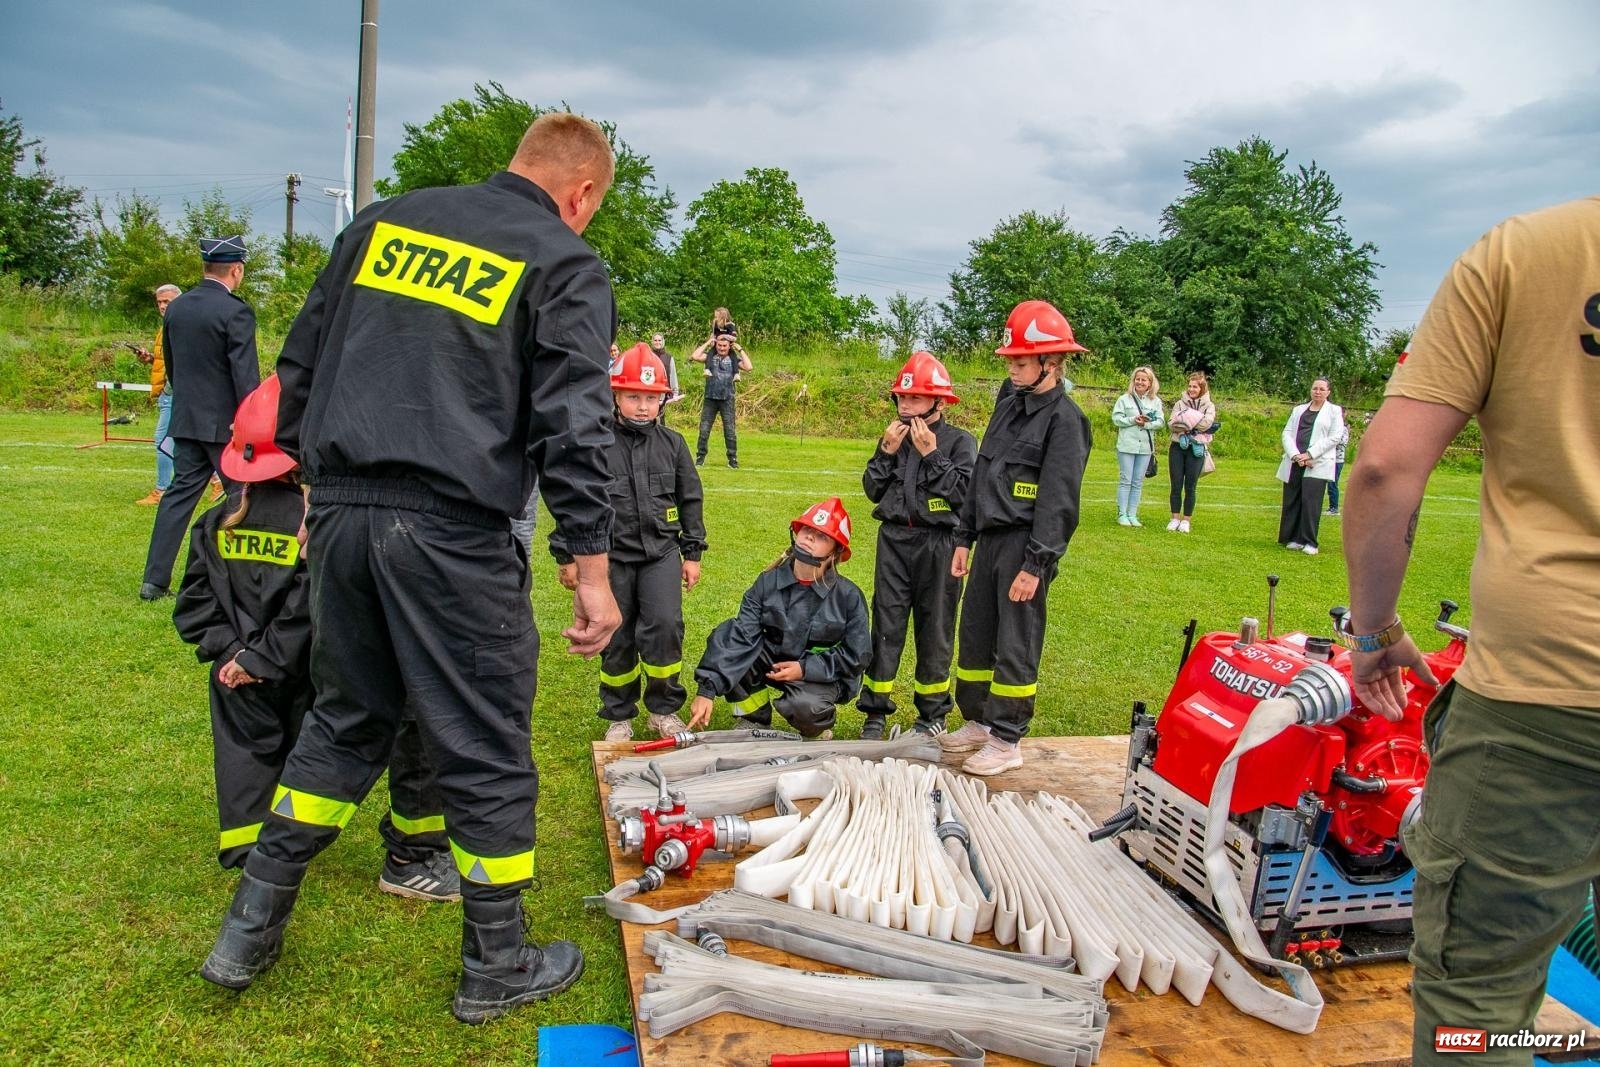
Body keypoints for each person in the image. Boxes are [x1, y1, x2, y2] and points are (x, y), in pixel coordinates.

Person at [199, 112, 624, 1025]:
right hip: (450, 529)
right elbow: (577, 423)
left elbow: (299, 366)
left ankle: (246, 931)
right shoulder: (562, 259)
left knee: (345, 720)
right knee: (484, 736)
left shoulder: (383, 224)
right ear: (580, 192)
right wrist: (590, 567)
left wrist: (320, 487)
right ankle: (498, 959)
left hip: (344, 513)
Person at [1341, 195, 1600, 1066]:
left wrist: (1372, 631)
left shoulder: (1526, 253)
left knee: (1477, 1012)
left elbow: (1383, 466)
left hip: (1548, 696)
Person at [173, 375, 459, 901]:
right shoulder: (317, 527)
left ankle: (249, 853)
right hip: (307, 668)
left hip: (233, 674)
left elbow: (193, 604)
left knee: (245, 756)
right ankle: (403, 855)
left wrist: (233, 654)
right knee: (330, 749)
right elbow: (310, 609)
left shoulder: (216, 522)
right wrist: (265, 656)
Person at [941, 300, 1092, 775]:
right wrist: (964, 536)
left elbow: (1059, 501)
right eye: (1009, 359)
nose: (1012, 367)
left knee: (1016, 641)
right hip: (987, 539)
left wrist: (1036, 564)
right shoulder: (1009, 402)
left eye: (1021, 360)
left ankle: (1007, 739)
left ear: (1052, 362)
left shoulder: (1066, 420)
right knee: (977, 634)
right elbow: (983, 471)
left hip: (1025, 545)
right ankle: (981, 722)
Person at [553, 342, 706, 743]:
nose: (642, 406)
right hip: (609, 558)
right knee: (616, 635)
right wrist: (566, 553)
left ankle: (663, 709)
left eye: (651, 399)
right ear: (615, 395)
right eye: (633, 396)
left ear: (663, 401)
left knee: (665, 627)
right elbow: (575, 497)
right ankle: (618, 714)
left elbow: (690, 498)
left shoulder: (674, 445)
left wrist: (692, 553)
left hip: (661, 555)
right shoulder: (596, 444)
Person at [857, 351, 976, 739]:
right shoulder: (893, 437)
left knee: (936, 627)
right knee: (886, 624)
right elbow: (873, 490)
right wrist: (884, 452)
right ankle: (875, 712)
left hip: (939, 543)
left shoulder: (960, 442)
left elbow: (963, 494)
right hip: (893, 540)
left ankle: (931, 714)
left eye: (916, 398)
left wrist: (932, 455)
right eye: (902, 398)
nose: (906, 405)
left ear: (939, 402)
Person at [686, 497, 869, 740]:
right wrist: (706, 691)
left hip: (818, 675)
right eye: (807, 530)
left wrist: (804, 669)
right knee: (728, 634)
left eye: (822, 536)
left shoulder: (848, 597)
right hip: (773, 661)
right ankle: (753, 719)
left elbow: (857, 656)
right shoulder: (767, 582)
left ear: (835, 552)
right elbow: (740, 635)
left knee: (807, 708)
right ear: (796, 532)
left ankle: (815, 725)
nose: (810, 537)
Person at [138, 236, 260, 600]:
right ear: (236, 270)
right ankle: (245, 578)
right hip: (227, 425)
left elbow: (172, 367)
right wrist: (248, 419)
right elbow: (245, 376)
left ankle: (154, 580)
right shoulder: (236, 312)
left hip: (187, 420)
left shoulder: (177, 308)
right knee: (242, 498)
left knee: (177, 496)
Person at [1275, 377, 1345, 556]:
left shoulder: (1334, 411)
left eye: (1322, 389)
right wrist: (1296, 455)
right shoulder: (1298, 410)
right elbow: (1288, 432)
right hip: (1295, 461)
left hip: (1317, 463)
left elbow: (1335, 436)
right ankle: (1293, 538)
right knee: (1292, 499)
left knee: (1310, 502)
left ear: (1328, 392)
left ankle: (1310, 541)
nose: (1318, 392)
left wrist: (1310, 454)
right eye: (1315, 388)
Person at [134, 283, 181, 505]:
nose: (162, 306)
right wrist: (150, 359)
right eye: (159, 302)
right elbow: (166, 362)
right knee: (182, 443)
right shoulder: (165, 328)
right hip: (167, 392)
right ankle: (217, 480)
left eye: (167, 302)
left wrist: (171, 389)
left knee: (162, 441)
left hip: (173, 394)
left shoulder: (180, 327)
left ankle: (162, 489)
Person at [1110, 366, 1164, 527]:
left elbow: (1160, 422)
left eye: (1143, 379)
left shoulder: (1156, 401)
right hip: (1127, 445)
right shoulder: (1124, 399)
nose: (1140, 382)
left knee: (1138, 481)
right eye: (1137, 379)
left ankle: (1133, 514)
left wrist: (1147, 424)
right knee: (1126, 479)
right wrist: (1133, 419)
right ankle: (1122, 514)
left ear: (1150, 383)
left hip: (1145, 447)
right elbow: (1116, 419)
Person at [1166, 371, 1218, 533]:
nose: (1191, 389)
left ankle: (1186, 520)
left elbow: (1207, 424)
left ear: (1202, 388)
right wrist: (1194, 420)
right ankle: (1174, 518)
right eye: (1189, 386)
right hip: (1177, 448)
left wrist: (1187, 420)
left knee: (1191, 485)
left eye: (1195, 386)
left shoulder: (1209, 406)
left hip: (1196, 449)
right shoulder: (1179, 403)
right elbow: (1172, 423)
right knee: (1176, 484)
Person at [691, 333, 752, 468]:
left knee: (730, 431)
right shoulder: (710, 357)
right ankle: (700, 457)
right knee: (704, 429)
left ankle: (732, 459)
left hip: (727, 399)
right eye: (719, 345)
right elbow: (695, 356)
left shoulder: (734, 359)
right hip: (710, 398)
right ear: (716, 345)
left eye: (725, 346)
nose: (722, 348)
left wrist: (740, 349)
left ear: (729, 346)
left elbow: (749, 367)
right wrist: (708, 343)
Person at [1326, 418, 1352, 516]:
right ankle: (1331, 506)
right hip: (1329, 459)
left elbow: (1342, 441)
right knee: (1329, 483)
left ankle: (1334, 508)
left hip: (1337, 460)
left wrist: (1331, 439)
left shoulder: (1343, 429)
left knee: (1333, 483)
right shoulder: (1332, 428)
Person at [649, 332, 683, 404]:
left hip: (664, 394)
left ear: (663, 341)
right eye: (655, 340)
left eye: (659, 340)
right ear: (652, 342)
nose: (657, 342)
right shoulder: (648, 356)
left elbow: (673, 375)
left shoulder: (669, 357)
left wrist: (675, 393)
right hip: (650, 392)